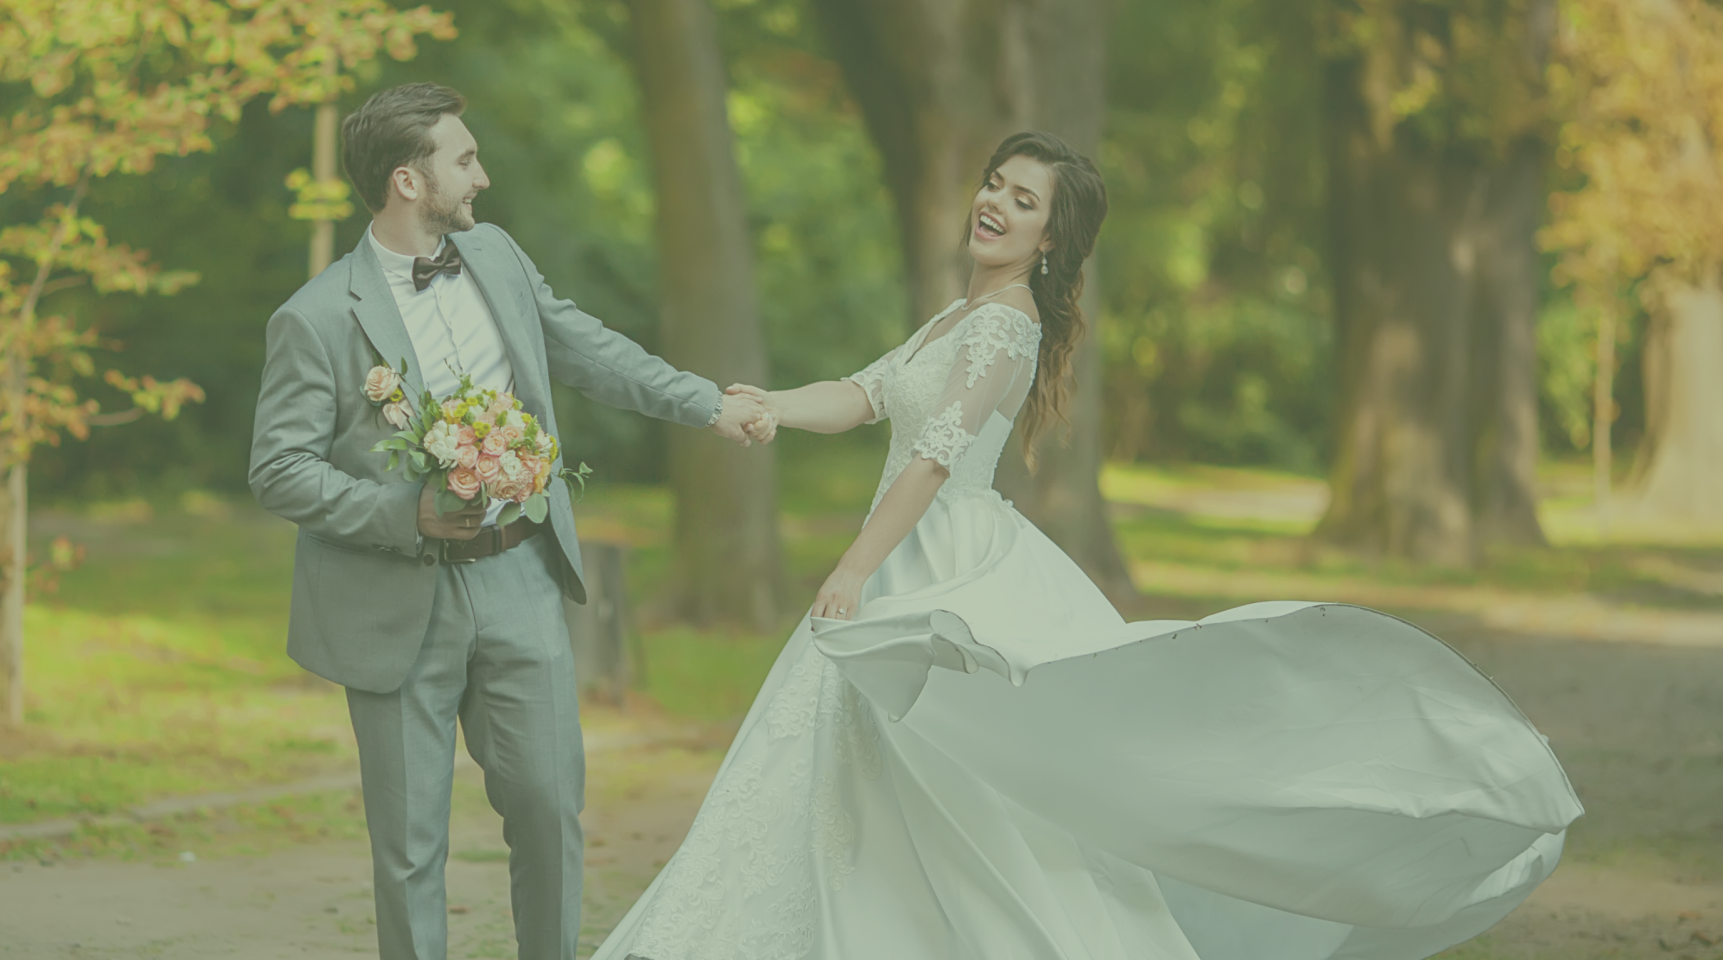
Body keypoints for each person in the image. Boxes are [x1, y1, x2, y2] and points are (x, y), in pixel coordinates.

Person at [591, 131, 1582, 960]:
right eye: (994, 184)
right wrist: (766, 405)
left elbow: (935, 456)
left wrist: (854, 567)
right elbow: (862, 394)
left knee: (969, 781)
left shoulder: (1005, 331)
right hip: (906, 545)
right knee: (860, 764)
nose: (995, 204)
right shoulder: (960, 313)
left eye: (1022, 201)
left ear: (1052, 239)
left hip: (940, 558)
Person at [246, 82, 774, 960]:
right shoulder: (314, 318)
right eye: (463, 159)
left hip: (522, 576)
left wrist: (704, 403)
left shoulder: (494, 255)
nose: (481, 177)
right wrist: (400, 510)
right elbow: (278, 470)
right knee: (411, 848)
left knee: (548, 808)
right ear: (409, 181)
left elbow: (586, 347)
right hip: (393, 602)